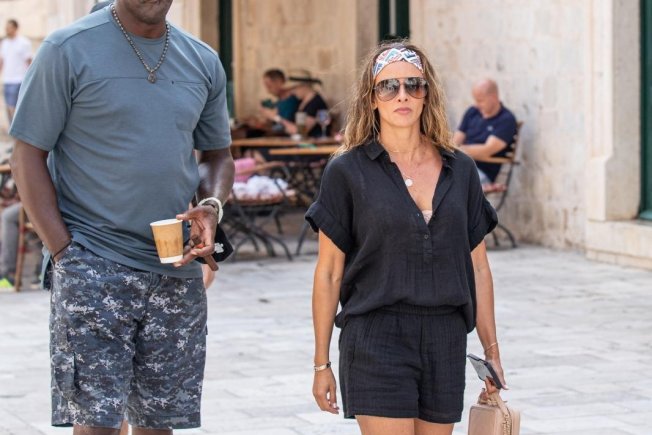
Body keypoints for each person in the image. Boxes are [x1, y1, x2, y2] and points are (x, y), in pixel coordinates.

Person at [9, 1, 235, 434]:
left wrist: (211, 205)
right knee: (97, 423)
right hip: (92, 261)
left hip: (174, 267)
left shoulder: (202, 60)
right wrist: (65, 252)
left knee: (159, 423)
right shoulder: (66, 50)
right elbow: (27, 156)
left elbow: (217, 155)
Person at [306, 42, 507, 435]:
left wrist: (492, 353)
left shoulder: (461, 169)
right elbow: (329, 273)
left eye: (413, 85)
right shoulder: (347, 171)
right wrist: (321, 363)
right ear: (371, 98)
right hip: (375, 334)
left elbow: (479, 268)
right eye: (388, 86)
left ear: (426, 93)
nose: (402, 95)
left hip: (446, 337)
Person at [453, 79, 517, 185]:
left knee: (447, 184)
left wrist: (456, 150)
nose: (476, 105)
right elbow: (455, 141)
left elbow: (486, 150)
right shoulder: (472, 112)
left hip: (481, 172)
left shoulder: (506, 119)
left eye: (480, 100)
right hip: (459, 165)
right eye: (475, 100)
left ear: (494, 98)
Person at [0, 19, 32, 125]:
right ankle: (13, 127)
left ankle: (17, 128)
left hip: (19, 79)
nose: (6, 29)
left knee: (14, 107)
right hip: (7, 80)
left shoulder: (24, 43)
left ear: (15, 28)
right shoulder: (4, 43)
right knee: (8, 107)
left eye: (9, 27)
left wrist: (31, 78)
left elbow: (29, 62)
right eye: (6, 27)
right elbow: (1, 61)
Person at [280, 70, 329, 138]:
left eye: (294, 88)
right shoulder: (301, 102)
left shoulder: (316, 102)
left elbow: (301, 131)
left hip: (316, 142)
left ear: (304, 86)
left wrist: (278, 119)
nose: (292, 92)